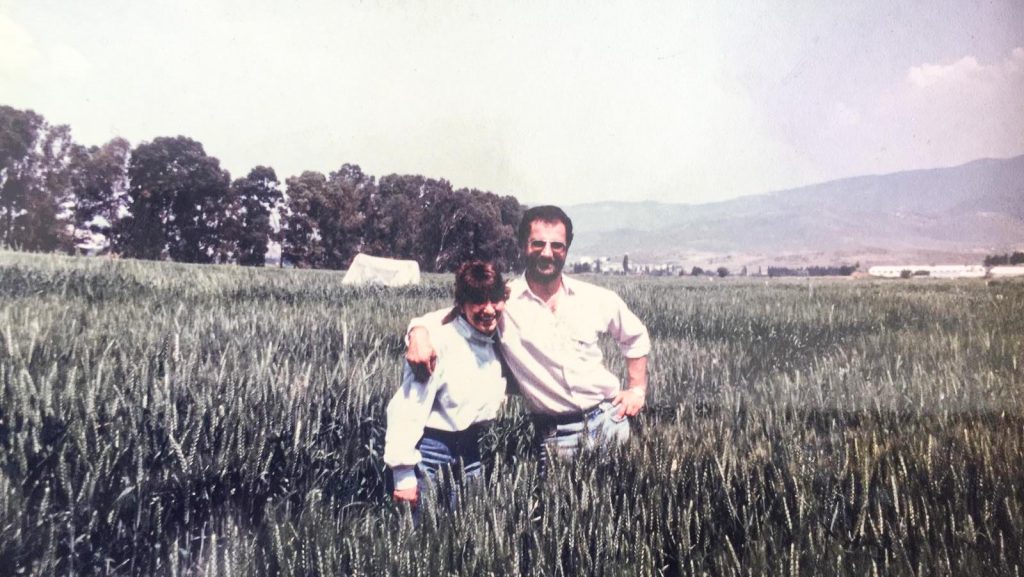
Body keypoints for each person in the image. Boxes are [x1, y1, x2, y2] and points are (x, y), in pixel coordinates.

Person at [406, 205, 650, 470]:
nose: (547, 253)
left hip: (610, 421)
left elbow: (635, 337)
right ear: (523, 246)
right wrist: (418, 332)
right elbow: (450, 318)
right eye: (538, 244)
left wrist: (636, 390)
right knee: (563, 512)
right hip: (557, 436)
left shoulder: (595, 298)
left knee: (621, 506)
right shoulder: (503, 301)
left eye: (557, 245)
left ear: (566, 249)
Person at [383, 260, 510, 514]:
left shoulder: (496, 337)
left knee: (462, 541)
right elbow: (408, 407)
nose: (488, 309)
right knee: (420, 541)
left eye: (494, 300)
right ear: (461, 305)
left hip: (471, 454)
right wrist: (404, 474)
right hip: (429, 455)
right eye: (477, 301)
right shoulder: (438, 343)